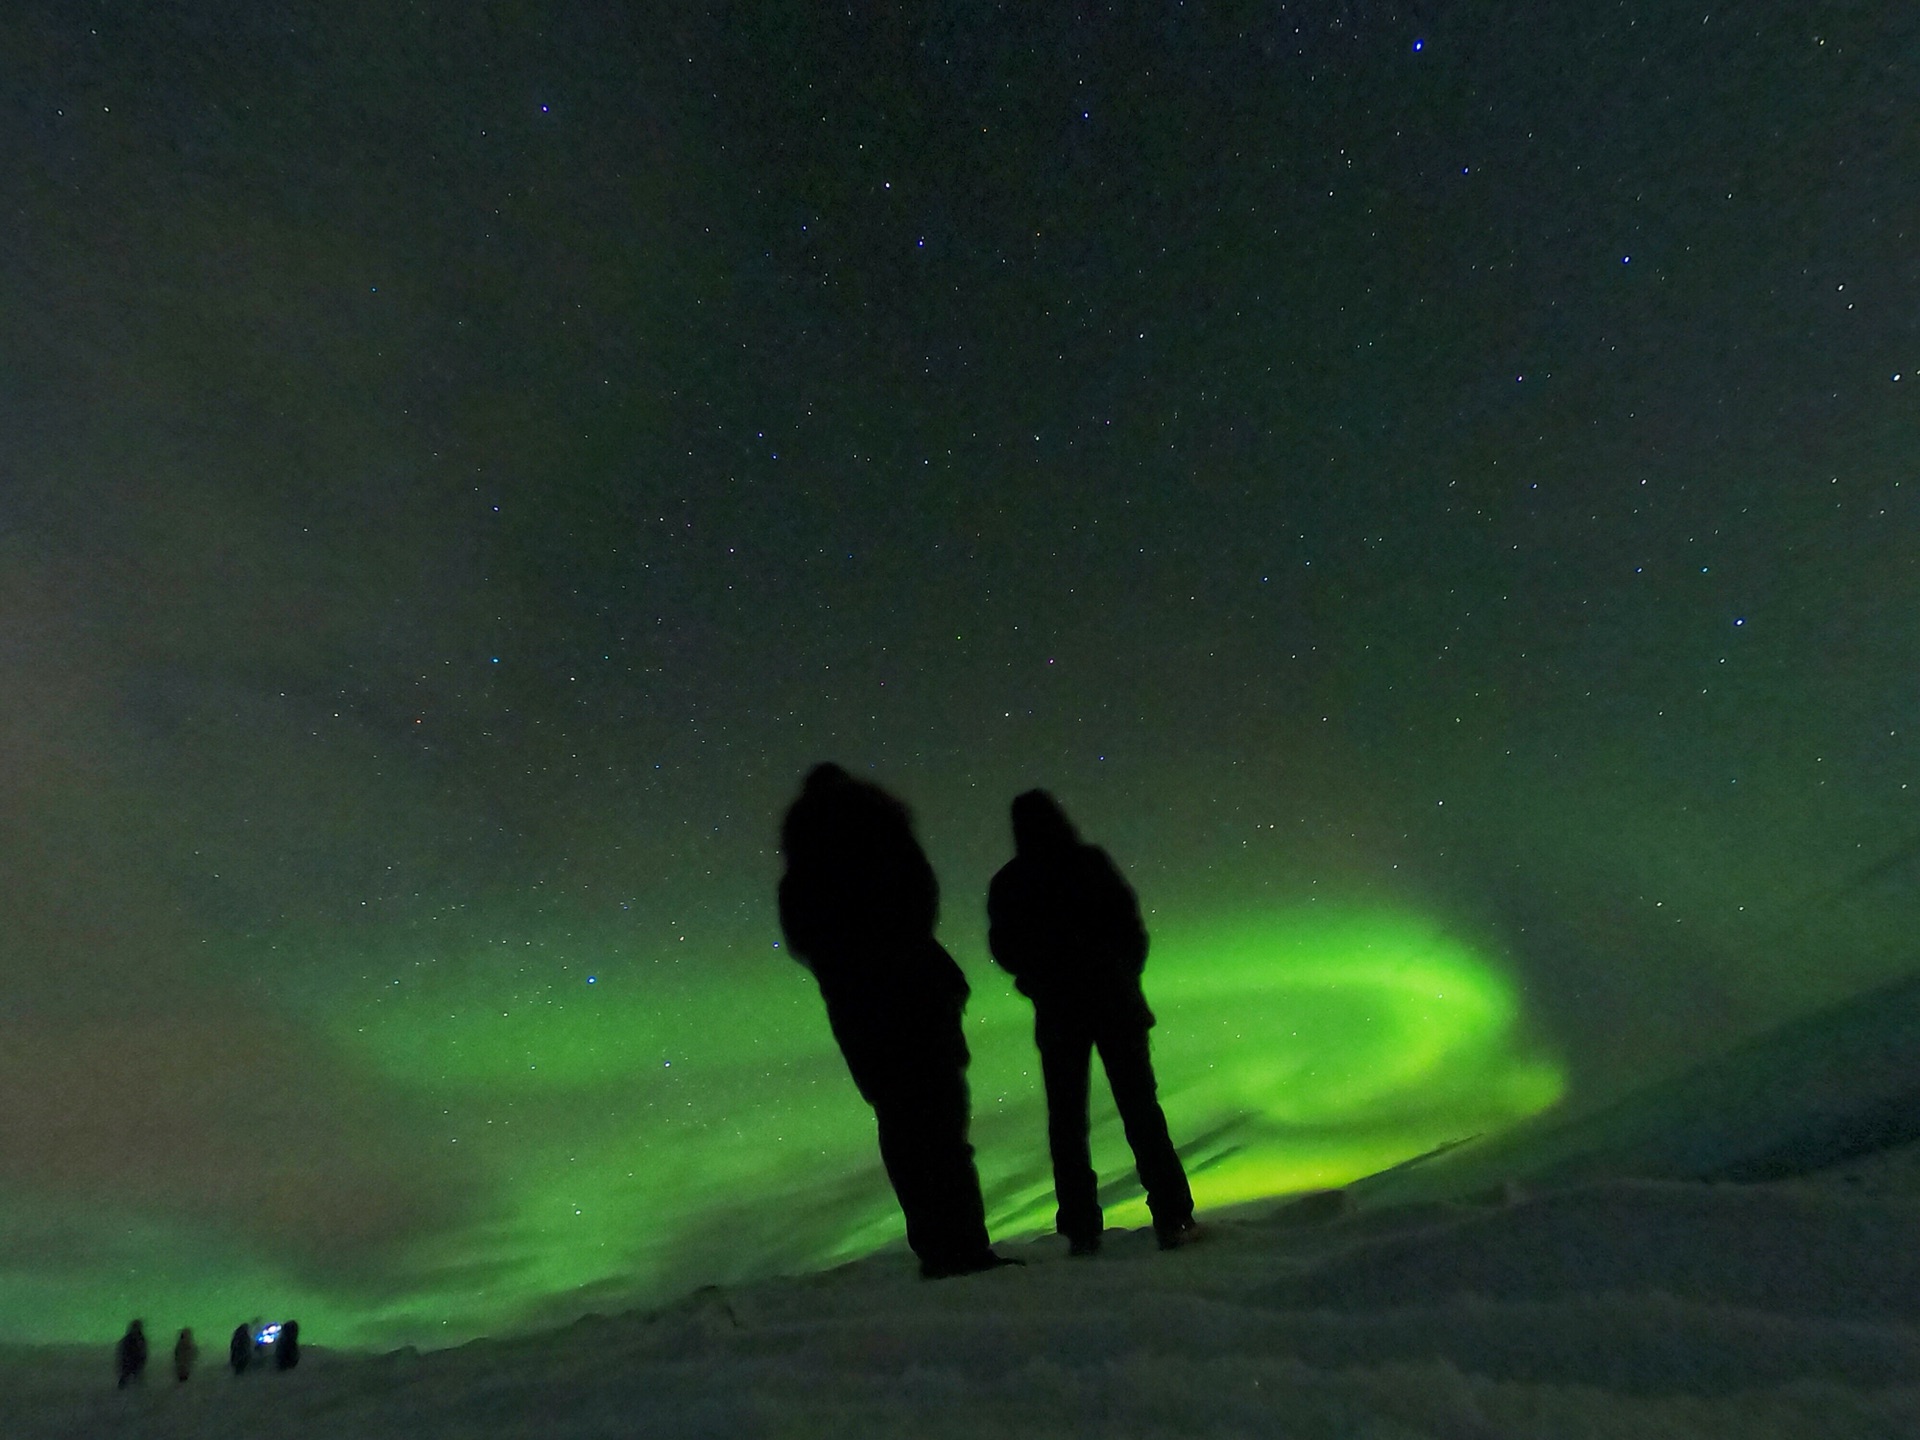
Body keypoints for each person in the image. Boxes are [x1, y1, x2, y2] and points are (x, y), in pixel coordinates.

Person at [778, 763, 1008, 1279]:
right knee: (942, 1122)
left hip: (861, 1009)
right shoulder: (886, 843)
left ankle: (938, 1250)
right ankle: (965, 1246)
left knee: (903, 1126)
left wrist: (849, 964)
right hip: (918, 991)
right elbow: (921, 902)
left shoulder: (805, 873)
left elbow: (805, 941)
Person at [987, 790, 1197, 1256]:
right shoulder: (1088, 863)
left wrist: (1038, 978)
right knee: (1139, 1111)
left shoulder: (1012, 881)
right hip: (1113, 1002)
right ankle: (1173, 1217)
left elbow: (1004, 947)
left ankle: (1083, 1233)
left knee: (1069, 1124)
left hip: (1064, 1010)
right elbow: (1130, 927)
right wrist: (1119, 972)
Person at [115, 1319, 147, 1388]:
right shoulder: (132, 1339)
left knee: (135, 1378)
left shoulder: (139, 1338)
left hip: (134, 1362)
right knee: (126, 1378)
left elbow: (143, 1351)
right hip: (129, 1362)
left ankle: (134, 1390)